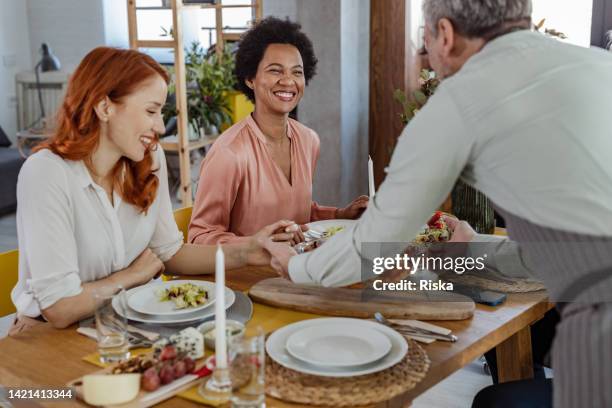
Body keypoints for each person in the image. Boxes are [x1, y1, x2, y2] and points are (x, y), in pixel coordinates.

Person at [265, 1, 612, 406]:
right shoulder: (598, 65)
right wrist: (470, 249)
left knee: (496, 402)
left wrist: (294, 264)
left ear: (445, 35)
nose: (427, 52)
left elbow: (373, 246)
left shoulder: (459, 101)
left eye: (426, 39)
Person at [10, 47, 296, 334]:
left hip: (126, 326)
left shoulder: (149, 158)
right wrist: (134, 275)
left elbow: (168, 253)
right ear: (104, 106)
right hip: (52, 338)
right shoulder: (47, 173)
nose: (159, 125)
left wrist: (248, 250)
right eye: (151, 111)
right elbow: (61, 307)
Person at [188, 17, 368, 246]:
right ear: (250, 79)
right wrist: (258, 243)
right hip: (247, 278)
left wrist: (341, 215)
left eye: (296, 72)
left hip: (298, 270)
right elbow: (199, 237)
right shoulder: (229, 153)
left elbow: (297, 214)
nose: (288, 81)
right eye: (275, 71)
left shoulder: (308, 140)